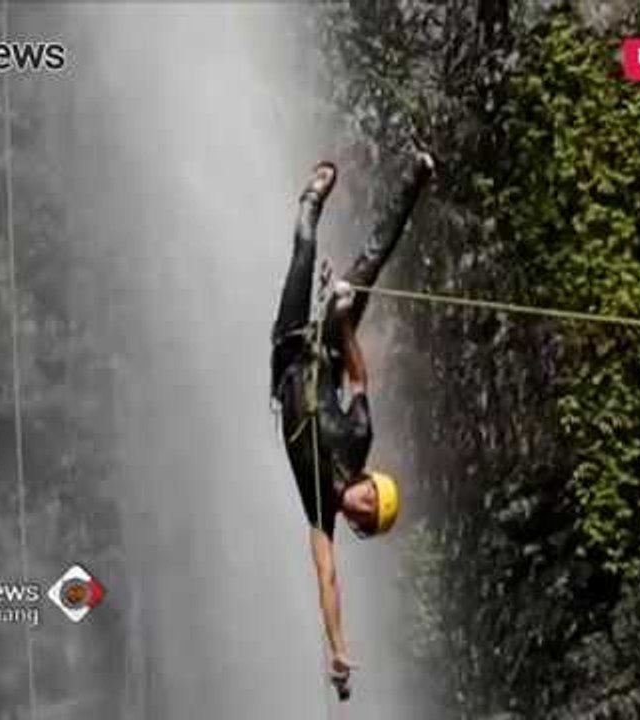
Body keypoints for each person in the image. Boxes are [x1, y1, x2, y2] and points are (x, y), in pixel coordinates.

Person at [270, 150, 434, 693]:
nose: (361, 508)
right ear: (368, 483)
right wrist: (343, 322)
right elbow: (359, 380)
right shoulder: (359, 439)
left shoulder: (321, 511)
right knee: (369, 263)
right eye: (370, 500)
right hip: (329, 345)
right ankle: (415, 177)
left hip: (289, 352)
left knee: (304, 247)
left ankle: (310, 202)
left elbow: (328, 579)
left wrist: (339, 651)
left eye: (365, 518)